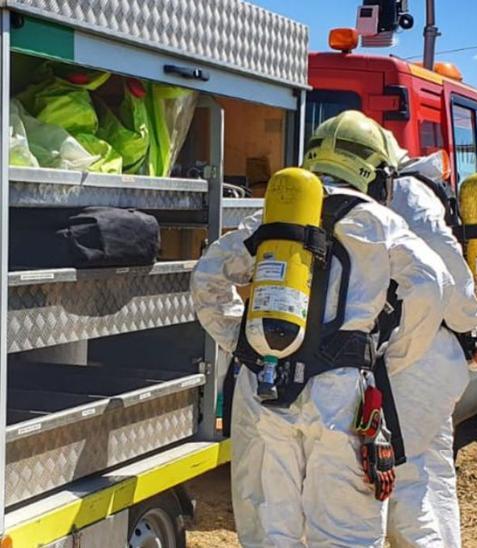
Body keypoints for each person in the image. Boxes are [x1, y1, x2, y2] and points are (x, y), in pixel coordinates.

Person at [192, 110, 449, 547]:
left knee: (270, 532)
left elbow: (208, 278)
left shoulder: (272, 220)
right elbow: (430, 284)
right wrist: (397, 354)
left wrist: (241, 340)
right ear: (375, 172)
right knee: (345, 533)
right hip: (341, 395)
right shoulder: (380, 222)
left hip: (264, 387)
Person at [371, 148, 477, 547]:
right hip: (437, 360)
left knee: (407, 475)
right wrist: (472, 332)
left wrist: (469, 318)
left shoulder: (408, 194)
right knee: (435, 470)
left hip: (420, 361)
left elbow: (444, 266)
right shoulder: (423, 193)